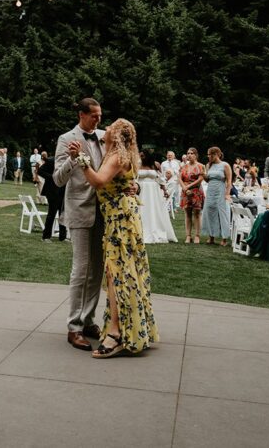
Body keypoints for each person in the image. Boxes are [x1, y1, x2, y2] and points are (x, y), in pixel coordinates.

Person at [78, 118, 158, 358]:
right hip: (124, 216)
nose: (106, 128)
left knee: (117, 275)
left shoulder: (116, 157)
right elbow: (128, 181)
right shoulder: (126, 155)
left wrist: (81, 160)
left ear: (117, 134)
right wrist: (135, 186)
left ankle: (117, 334)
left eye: (110, 126)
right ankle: (131, 328)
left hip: (120, 220)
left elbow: (99, 181)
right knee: (126, 273)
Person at [54, 98, 106, 351]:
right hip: (79, 210)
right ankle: (73, 327)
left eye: (100, 115)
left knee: (97, 270)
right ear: (82, 115)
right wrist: (73, 159)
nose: (98, 120)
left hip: (105, 213)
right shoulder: (66, 139)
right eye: (94, 116)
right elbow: (57, 179)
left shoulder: (106, 137)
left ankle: (88, 320)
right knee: (81, 269)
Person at [137, 150, 177, 243]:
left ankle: (156, 229)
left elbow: (160, 178)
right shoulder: (137, 165)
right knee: (142, 209)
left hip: (154, 191)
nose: (141, 158)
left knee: (154, 210)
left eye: (142, 156)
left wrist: (165, 190)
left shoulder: (155, 165)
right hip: (141, 190)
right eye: (140, 156)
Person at [201, 147, 232, 246]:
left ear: (217, 154)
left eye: (211, 155)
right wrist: (203, 175)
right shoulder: (208, 165)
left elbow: (229, 181)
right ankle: (211, 237)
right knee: (209, 213)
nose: (209, 157)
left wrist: (227, 194)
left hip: (220, 190)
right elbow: (208, 180)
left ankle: (224, 239)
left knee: (222, 214)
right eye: (208, 155)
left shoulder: (225, 165)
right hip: (210, 191)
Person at [38, 150, 67, 242]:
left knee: (63, 214)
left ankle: (62, 237)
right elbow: (40, 171)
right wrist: (52, 177)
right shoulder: (51, 160)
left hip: (63, 191)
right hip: (52, 191)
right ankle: (46, 236)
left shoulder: (69, 162)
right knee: (51, 214)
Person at [180, 148, 205, 243]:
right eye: (188, 153)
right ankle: (188, 236)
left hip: (196, 191)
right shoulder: (183, 166)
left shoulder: (200, 166)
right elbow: (180, 178)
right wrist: (184, 188)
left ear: (196, 155)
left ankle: (197, 236)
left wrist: (188, 186)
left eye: (192, 153)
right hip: (185, 192)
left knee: (197, 213)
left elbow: (200, 179)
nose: (189, 155)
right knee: (187, 213)